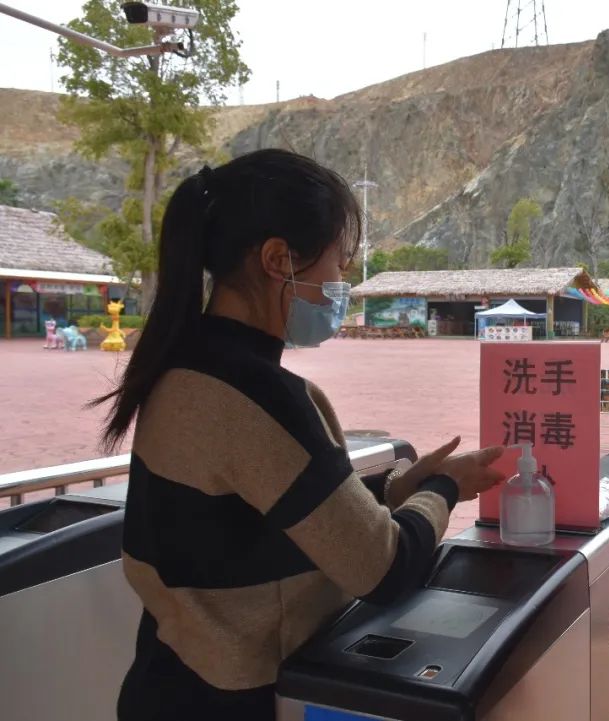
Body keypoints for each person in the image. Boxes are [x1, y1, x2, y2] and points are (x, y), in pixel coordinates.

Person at [95, 149, 505, 720]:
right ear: (278, 260)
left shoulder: (184, 364)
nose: (341, 285)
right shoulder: (257, 395)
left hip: (168, 681)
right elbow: (383, 569)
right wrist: (445, 488)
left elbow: (268, 524)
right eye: (338, 263)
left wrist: (394, 495)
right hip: (233, 702)